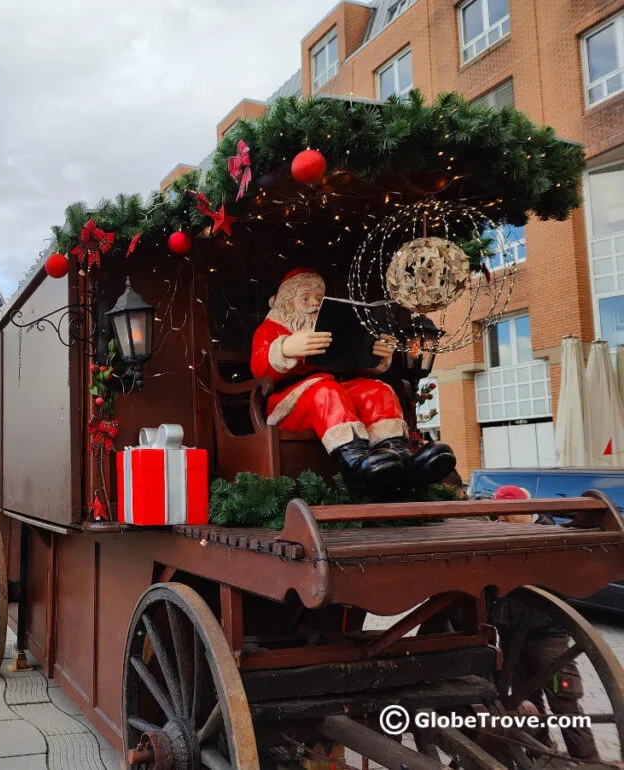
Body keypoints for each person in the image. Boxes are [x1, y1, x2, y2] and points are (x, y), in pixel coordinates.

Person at [250, 267, 456, 493]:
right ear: (286, 303)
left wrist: (375, 355)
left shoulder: (333, 330)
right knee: (326, 391)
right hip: (290, 403)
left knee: (378, 391)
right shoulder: (272, 329)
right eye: (305, 298)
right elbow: (260, 368)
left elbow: (351, 365)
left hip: (337, 391)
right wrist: (286, 349)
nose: (314, 304)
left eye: (319, 298)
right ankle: (356, 465)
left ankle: (401, 458)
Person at [490, 484, 598, 760]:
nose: (501, 521)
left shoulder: (552, 538)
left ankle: (588, 761)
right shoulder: (499, 534)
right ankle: (541, 758)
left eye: (507, 515)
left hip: (547, 636)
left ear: (527, 511)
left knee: (565, 702)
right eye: (497, 516)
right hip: (512, 633)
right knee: (526, 701)